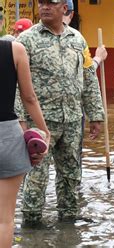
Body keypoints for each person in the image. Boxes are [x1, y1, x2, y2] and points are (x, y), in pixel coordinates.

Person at [16, 0, 105, 224]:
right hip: (40, 120)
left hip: (73, 119)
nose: (45, 7)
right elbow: (15, 84)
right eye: (41, 3)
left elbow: (88, 76)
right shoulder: (27, 40)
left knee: (71, 172)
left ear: (64, 8)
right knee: (37, 174)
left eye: (51, 3)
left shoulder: (77, 39)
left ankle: (69, 218)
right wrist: (20, 120)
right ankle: (32, 221)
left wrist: (95, 114)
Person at [0, 38, 50, 248]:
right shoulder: (14, 50)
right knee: (4, 218)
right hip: (7, 137)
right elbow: (29, 97)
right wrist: (45, 131)